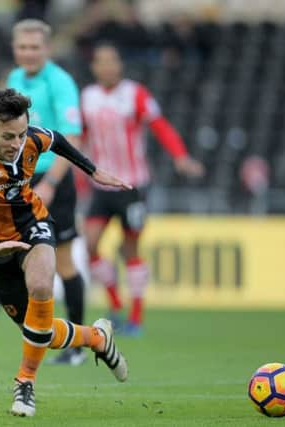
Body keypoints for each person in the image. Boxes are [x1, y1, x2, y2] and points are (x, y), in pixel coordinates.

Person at [0, 88, 129, 417]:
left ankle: (24, 384)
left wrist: (92, 170)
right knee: (40, 332)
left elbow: (55, 138)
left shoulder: (31, 139)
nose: (17, 143)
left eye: (22, 133)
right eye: (8, 136)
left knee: (42, 285)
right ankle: (97, 338)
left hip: (33, 224)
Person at [0, 19, 89, 366]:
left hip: (54, 179)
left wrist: (51, 183)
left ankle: (77, 347)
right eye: (22, 47)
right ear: (15, 48)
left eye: (35, 47)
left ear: (47, 49)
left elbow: (72, 138)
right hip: (15, 181)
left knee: (63, 261)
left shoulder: (61, 82)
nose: (28, 53)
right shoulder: (15, 80)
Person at [81, 43, 205, 336]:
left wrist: (180, 156)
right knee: (89, 245)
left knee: (130, 248)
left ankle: (136, 317)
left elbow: (160, 126)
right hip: (100, 185)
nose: (107, 66)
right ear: (94, 67)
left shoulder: (135, 94)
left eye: (112, 61)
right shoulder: (87, 97)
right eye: (102, 61)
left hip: (132, 186)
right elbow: (81, 136)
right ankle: (114, 304)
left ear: (120, 65)